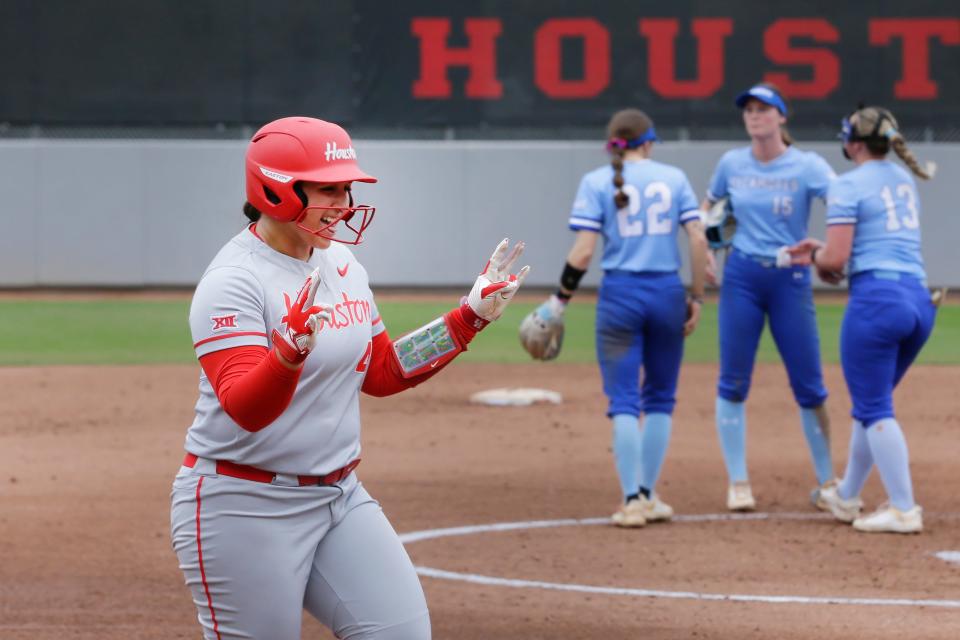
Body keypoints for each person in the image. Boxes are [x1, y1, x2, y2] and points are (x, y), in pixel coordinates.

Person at [169, 116, 529, 639]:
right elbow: (245, 409)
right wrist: (286, 356)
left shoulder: (340, 263)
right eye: (328, 188)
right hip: (243, 507)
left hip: (339, 498)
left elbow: (381, 370)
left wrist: (467, 318)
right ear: (276, 189)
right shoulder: (233, 281)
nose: (345, 203)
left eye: (347, 188)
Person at [528, 109, 708, 527]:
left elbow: (584, 252)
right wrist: (696, 295)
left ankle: (632, 501)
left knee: (624, 400)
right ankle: (648, 494)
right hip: (666, 292)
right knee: (660, 397)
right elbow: (698, 240)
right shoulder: (675, 178)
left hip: (620, 297)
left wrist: (559, 301)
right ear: (648, 142)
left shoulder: (595, 182)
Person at [788, 106, 937, 533]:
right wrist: (829, 254)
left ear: (851, 143)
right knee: (872, 404)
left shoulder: (848, 184)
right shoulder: (902, 178)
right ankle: (848, 495)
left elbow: (835, 259)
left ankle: (904, 508)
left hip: (877, 301)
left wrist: (814, 256)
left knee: (874, 407)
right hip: (917, 299)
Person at [702, 83, 837, 512]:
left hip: (789, 278)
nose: (755, 116)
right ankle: (738, 482)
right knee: (734, 380)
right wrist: (704, 246)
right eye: (750, 110)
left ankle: (828, 481)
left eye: (764, 109)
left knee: (809, 384)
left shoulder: (807, 165)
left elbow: (845, 203)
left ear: (782, 116)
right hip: (742, 275)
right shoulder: (731, 163)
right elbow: (707, 210)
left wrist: (827, 247)